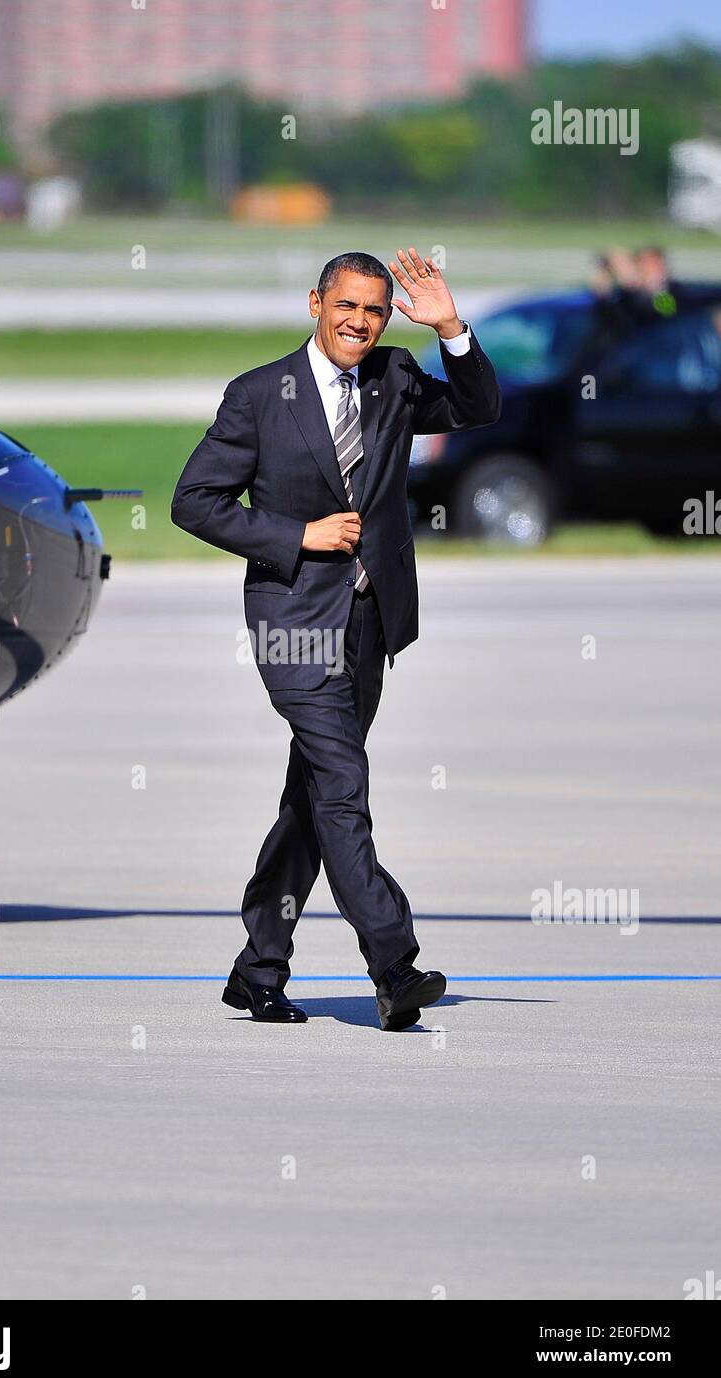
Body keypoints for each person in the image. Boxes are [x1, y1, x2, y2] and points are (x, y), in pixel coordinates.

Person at [171, 249, 500, 1030]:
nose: (359, 322)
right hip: (293, 625)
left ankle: (258, 970)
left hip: (368, 622)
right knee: (344, 792)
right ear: (317, 302)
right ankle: (395, 965)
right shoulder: (259, 396)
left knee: (313, 799)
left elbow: (478, 408)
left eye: (374, 311)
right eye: (347, 306)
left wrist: (450, 325)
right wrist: (299, 533)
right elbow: (194, 501)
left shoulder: (391, 379)